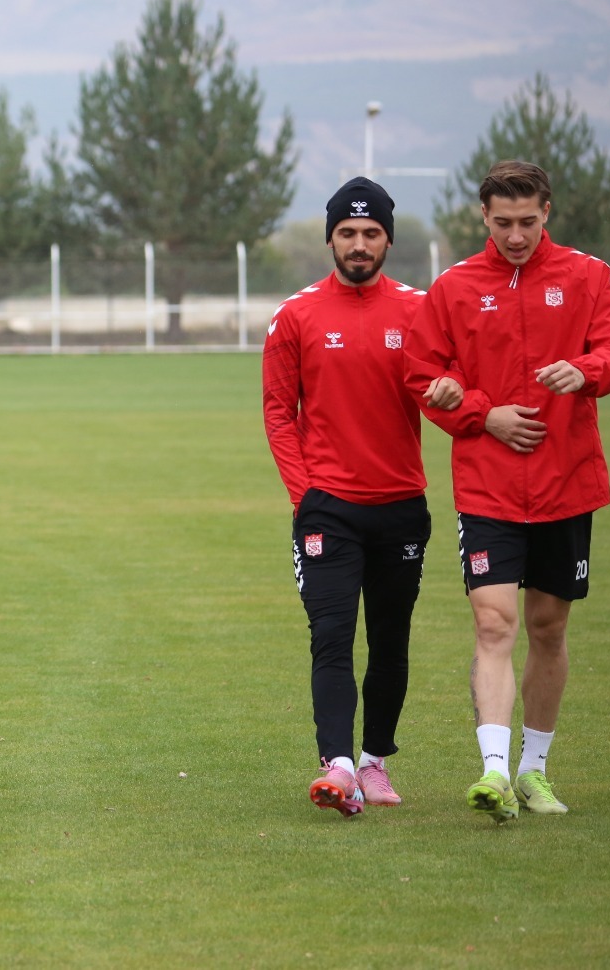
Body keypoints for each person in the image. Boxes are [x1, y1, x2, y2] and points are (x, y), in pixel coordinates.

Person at [405, 160, 610, 822]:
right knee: (493, 620)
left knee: (548, 625)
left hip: (567, 484)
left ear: (547, 214)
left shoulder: (589, 277)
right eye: (502, 223)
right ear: (483, 217)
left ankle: (535, 771)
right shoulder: (452, 288)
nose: (515, 235)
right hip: (488, 489)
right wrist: (478, 410)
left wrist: (585, 370)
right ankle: (494, 772)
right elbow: (424, 375)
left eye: (527, 223)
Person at [262, 177, 456, 818]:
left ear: (388, 240)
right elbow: (278, 412)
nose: (359, 244)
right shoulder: (296, 315)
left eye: (371, 233)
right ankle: (338, 767)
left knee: (392, 639)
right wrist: (304, 493)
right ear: (330, 239)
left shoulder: (419, 311)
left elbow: (445, 397)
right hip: (327, 509)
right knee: (332, 636)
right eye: (347, 232)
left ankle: (374, 761)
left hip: (401, 503)